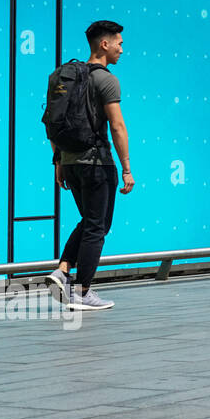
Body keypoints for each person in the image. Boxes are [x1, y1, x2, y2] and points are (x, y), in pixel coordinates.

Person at [44, 21, 135, 312]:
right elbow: (118, 126)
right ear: (104, 44)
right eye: (118, 42)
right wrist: (126, 168)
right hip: (97, 163)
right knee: (98, 226)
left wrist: (58, 162)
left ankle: (62, 270)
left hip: (70, 162)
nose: (122, 48)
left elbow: (52, 124)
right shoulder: (106, 80)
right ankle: (83, 292)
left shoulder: (66, 77)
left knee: (89, 221)